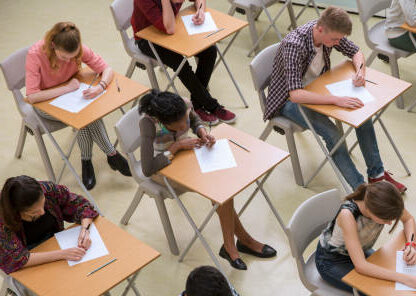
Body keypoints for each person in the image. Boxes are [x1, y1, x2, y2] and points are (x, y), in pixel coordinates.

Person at [264, 6, 407, 193]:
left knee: (362, 114)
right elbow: (296, 94)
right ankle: (360, 190)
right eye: (335, 40)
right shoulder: (295, 45)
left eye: (340, 39)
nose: (338, 43)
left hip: (319, 89)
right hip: (288, 101)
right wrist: (336, 100)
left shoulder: (330, 32)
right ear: (320, 29)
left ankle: (377, 175)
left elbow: (356, 52)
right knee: (333, 135)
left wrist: (360, 72)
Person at [138, 90, 276, 270]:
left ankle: (237, 244)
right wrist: (176, 146)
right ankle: (240, 243)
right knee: (219, 190)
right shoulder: (148, 124)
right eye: (178, 126)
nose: (184, 125)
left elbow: (195, 120)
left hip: (188, 156)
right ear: (164, 122)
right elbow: (147, 168)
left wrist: (202, 132)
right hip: (163, 168)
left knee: (222, 187)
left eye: (184, 121)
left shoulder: (184, 105)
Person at [0, 175, 123, 296]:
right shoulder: (3, 220)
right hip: (30, 263)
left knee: (87, 271)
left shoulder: (47, 191)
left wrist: (85, 230)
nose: (42, 212)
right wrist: (62, 254)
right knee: (82, 279)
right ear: (17, 212)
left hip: (57, 245)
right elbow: (18, 259)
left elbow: (82, 205)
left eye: (43, 205)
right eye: (34, 213)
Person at [25, 22, 131, 190]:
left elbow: (106, 69)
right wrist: (67, 89)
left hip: (72, 94)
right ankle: (111, 153)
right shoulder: (36, 55)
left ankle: (86, 161)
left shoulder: (78, 48)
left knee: (85, 116)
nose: (69, 61)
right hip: (46, 103)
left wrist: (100, 87)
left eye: (73, 57)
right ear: (53, 45)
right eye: (64, 57)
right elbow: (32, 96)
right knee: (83, 116)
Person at [131, 0, 236, 125]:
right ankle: (212, 106)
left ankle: (196, 104)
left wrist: (200, 11)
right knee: (180, 63)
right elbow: (169, 28)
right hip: (147, 38)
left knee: (210, 51)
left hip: (172, 30)